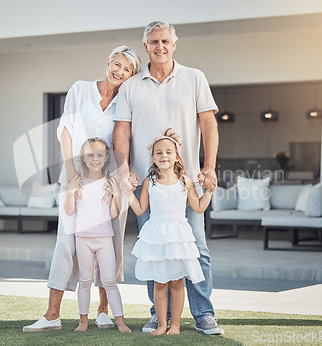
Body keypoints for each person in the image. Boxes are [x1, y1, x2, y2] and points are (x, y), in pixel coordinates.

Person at [113, 21, 224, 335]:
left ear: (174, 44)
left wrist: (210, 166)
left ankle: (203, 314)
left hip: (185, 182)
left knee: (197, 248)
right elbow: (121, 131)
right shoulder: (131, 86)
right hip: (148, 183)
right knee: (154, 250)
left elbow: (209, 126)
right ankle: (158, 316)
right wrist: (123, 169)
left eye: (165, 41)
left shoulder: (194, 78)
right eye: (153, 42)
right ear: (146, 46)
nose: (159, 47)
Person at [23, 46, 142, 332]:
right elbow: (66, 128)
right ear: (108, 63)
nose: (119, 72)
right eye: (117, 64)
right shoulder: (80, 89)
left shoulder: (127, 102)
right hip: (76, 177)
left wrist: (124, 177)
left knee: (110, 243)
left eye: (127, 69)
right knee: (66, 242)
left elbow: (126, 140)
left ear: (132, 76)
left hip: (110, 181)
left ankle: (103, 311)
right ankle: (52, 315)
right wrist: (72, 170)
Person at [129, 129, 214, 335]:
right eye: (159, 153)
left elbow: (199, 207)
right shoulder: (150, 182)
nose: (164, 156)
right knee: (159, 282)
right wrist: (128, 192)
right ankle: (161, 324)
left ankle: (175, 325)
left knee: (176, 282)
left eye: (168, 152)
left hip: (178, 236)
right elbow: (140, 209)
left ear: (176, 156)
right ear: (153, 157)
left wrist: (210, 190)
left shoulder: (186, 181)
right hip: (157, 235)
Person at [64, 138, 131, 333]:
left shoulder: (110, 182)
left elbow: (113, 215)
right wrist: (70, 192)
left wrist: (116, 195)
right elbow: (69, 210)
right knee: (85, 281)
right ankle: (83, 322)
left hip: (104, 240)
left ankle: (120, 322)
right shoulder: (76, 182)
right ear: (83, 159)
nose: (95, 159)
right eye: (90, 155)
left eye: (99, 155)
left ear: (106, 157)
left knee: (109, 281)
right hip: (83, 239)